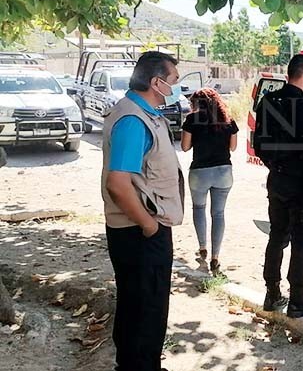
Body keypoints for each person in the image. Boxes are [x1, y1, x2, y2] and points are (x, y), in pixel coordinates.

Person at [101, 51, 184, 371]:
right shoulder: (134, 120)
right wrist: (149, 226)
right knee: (145, 310)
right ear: (156, 82)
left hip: (140, 228)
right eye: (173, 81)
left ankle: (140, 364)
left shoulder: (142, 113)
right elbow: (118, 183)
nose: (176, 87)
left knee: (140, 307)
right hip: (139, 232)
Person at [253, 54, 303, 318]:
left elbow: (259, 144)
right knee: (302, 242)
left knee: (277, 237)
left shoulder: (269, 101)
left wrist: (277, 167)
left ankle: (272, 293)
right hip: (300, 186)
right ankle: (297, 299)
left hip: (277, 180)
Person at [180, 88, 239, 275]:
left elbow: (184, 147)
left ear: (196, 103)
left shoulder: (191, 120)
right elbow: (234, 147)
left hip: (200, 172)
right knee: (219, 213)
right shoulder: (228, 121)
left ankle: (202, 247)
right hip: (223, 171)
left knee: (199, 208)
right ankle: (215, 256)